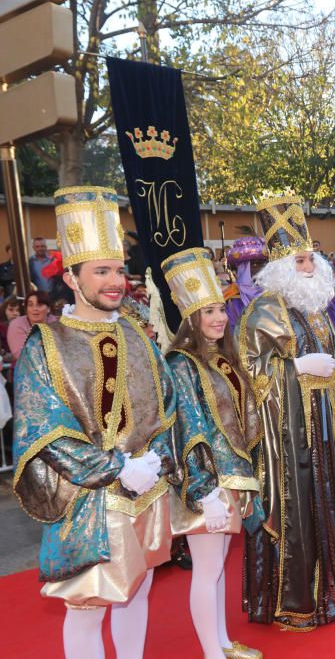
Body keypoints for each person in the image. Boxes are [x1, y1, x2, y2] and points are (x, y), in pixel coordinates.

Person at [13, 186, 178, 658]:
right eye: (101, 271)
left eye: (119, 270)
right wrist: (115, 468)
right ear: (71, 276)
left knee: (138, 591)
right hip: (89, 500)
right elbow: (44, 427)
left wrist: (155, 460)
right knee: (88, 606)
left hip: (147, 492)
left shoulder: (136, 334)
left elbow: (166, 403)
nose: (115, 281)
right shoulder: (46, 344)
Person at [239, 195, 335, 630]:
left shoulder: (318, 311)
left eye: (311, 260)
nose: (310, 267)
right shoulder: (262, 312)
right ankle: (294, 601)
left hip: (323, 424)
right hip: (287, 435)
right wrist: (296, 370)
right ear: (283, 268)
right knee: (296, 508)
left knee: (324, 501)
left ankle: (329, 590)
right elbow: (250, 374)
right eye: (301, 261)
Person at [162, 247, 264, 659]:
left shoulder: (222, 357)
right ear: (191, 319)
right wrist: (203, 490)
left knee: (218, 565)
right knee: (207, 569)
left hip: (230, 477)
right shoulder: (182, 363)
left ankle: (222, 642)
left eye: (221, 308)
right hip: (206, 482)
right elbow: (189, 427)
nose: (219, 318)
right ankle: (212, 653)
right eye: (208, 312)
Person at [223, 236, 268, 327]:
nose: (262, 268)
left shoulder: (274, 293)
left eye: (264, 263)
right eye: (255, 264)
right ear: (243, 268)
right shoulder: (232, 299)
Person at [7, 290, 56, 361]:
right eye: (30, 305)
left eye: (39, 305)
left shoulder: (56, 322)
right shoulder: (17, 324)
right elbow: (20, 355)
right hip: (27, 368)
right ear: (26, 309)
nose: (35, 309)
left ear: (48, 308)